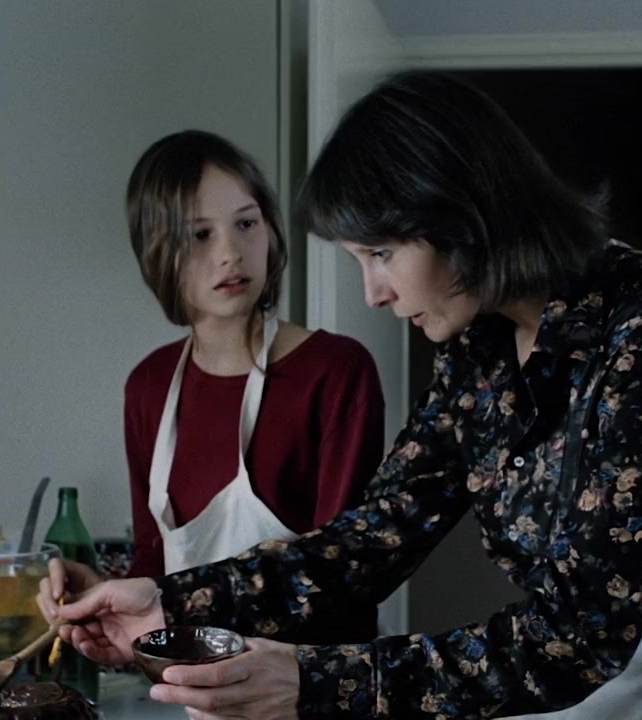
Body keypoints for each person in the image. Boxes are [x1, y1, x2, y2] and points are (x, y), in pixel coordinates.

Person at [39, 73, 642, 719]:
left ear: (460, 217)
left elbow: (577, 639)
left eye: (381, 253)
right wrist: (168, 601)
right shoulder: (482, 345)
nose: (374, 292)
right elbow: (373, 539)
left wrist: (311, 681)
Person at [40, 130, 385, 645]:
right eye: (200, 235)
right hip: (189, 683)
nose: (230, 253)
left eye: (246, 223)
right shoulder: (149, 386)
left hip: (310, 684)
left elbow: (344, 575)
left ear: (270, 230)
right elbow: (154, 563)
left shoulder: (335, 372)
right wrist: (104, 600)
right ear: (159, 253)